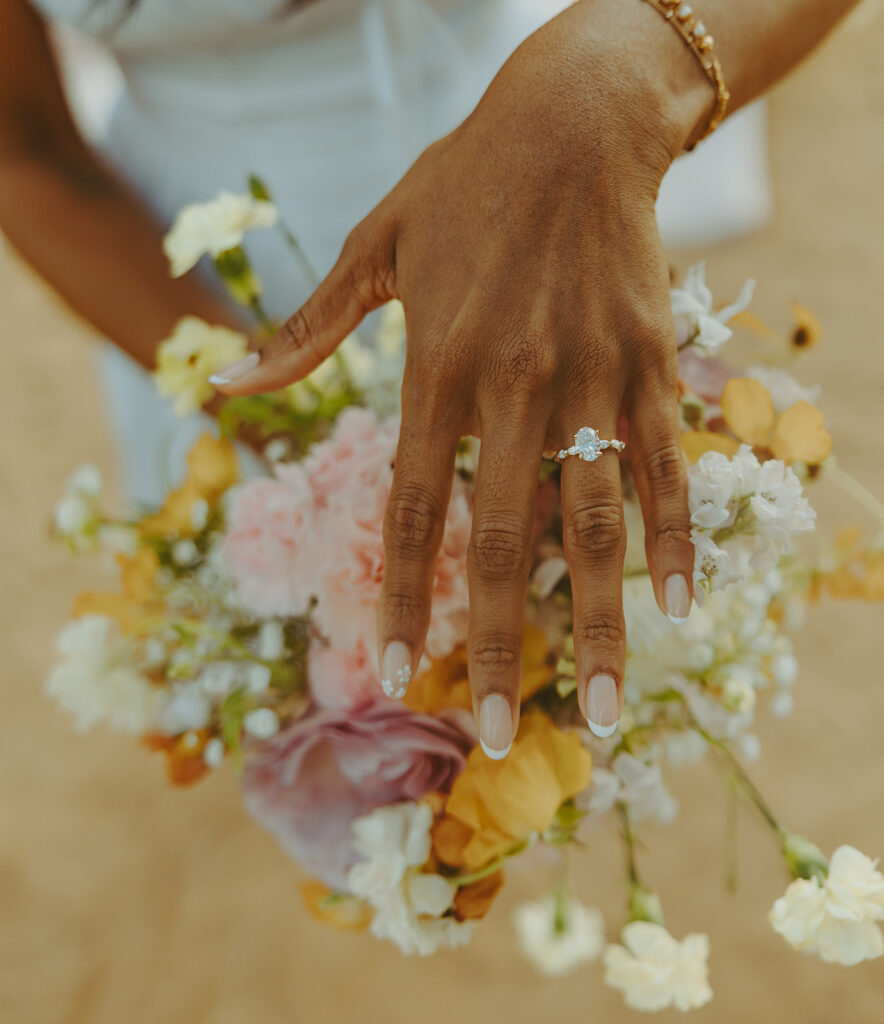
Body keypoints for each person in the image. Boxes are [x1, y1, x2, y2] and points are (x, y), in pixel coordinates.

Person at [0, 0, 860, 758]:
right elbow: (20, 149)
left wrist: (630, 68)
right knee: (287, 645)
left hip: (536, 181)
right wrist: (283, 412)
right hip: (193, 261)